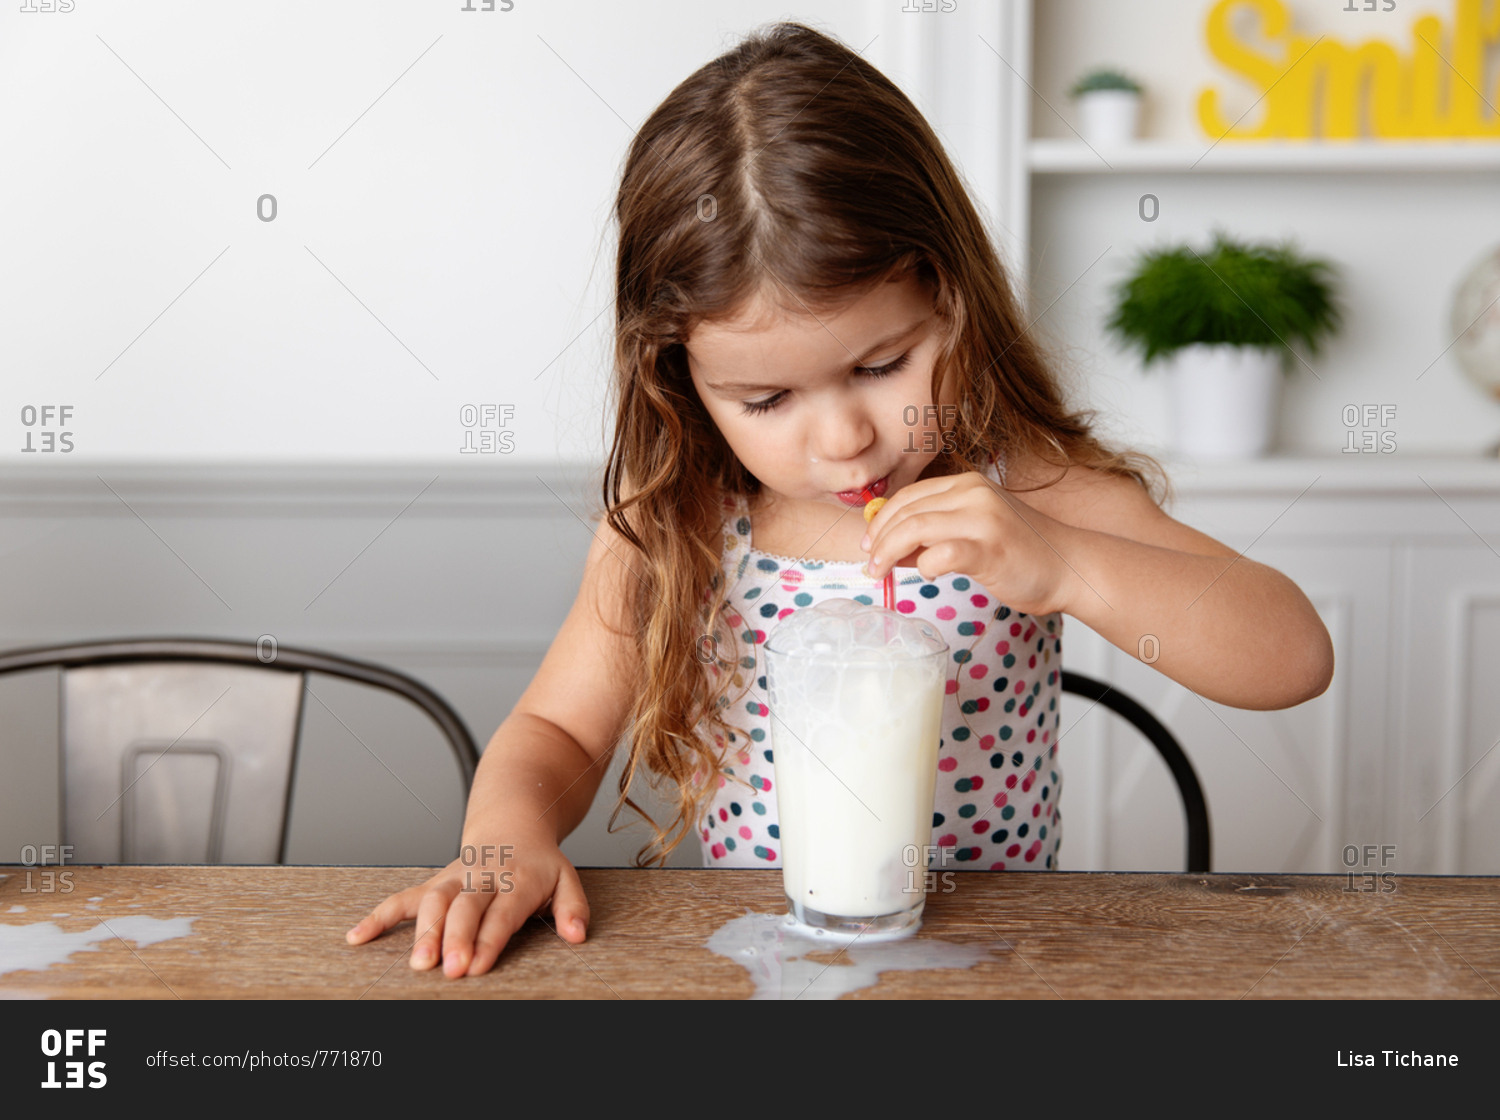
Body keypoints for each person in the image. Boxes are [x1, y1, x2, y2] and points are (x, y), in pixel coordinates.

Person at [347, 21, 1334, 978]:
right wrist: (504, 840)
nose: (843, 438)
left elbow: (1291, 654)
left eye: (880, 364)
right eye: (767, 399)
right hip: (769, 965)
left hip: (1001, 966)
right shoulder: (678, 524)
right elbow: (558, 733)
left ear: (951, 298)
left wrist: (1066, 563)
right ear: (680, 378)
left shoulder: (1022, 485)